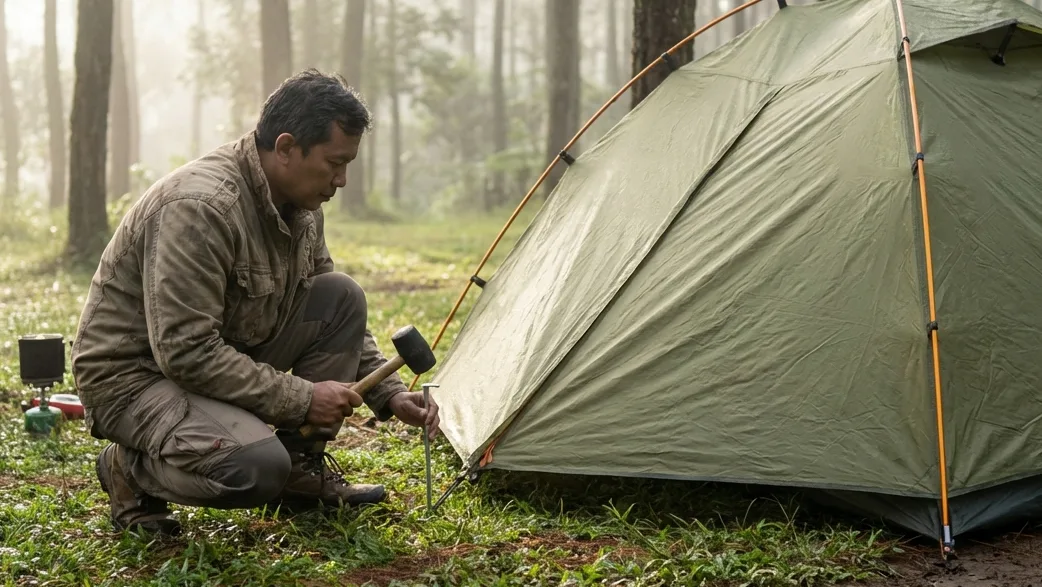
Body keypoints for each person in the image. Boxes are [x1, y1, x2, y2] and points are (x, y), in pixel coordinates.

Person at [70, 69, 440, 537]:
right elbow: (185, 351)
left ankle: (300, 471)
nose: (342, 180)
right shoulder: (201, 208)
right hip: (132, 377)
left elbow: (326, 304)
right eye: (333, 163)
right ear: (286, 148)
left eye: (348, 165)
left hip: (219, 353)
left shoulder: (303, 205)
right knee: (258, 467)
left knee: (340, 294)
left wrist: (388, 395)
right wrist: (304, 398)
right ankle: (128, 469)